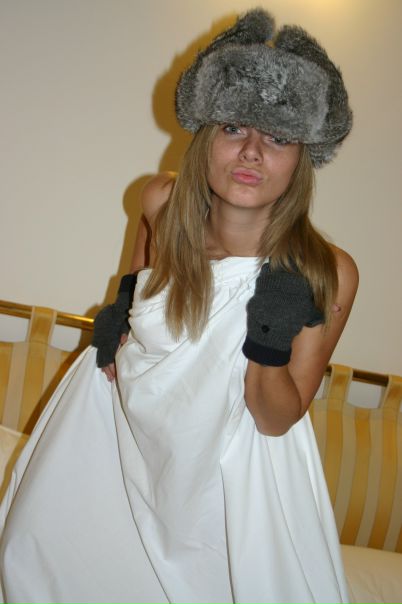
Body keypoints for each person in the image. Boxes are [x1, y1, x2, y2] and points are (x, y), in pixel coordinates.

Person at [0, 8, 358, 604]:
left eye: (278, 137)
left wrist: (267, 339)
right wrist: (116, 319)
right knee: (42, 558)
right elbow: (133, 289)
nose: (252, 152)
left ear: (303, 157)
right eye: (234, 128)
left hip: (225, 494)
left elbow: (276, 420)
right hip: (116, 450)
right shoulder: (160, 204)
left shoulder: (327, 271)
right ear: (205, 135)